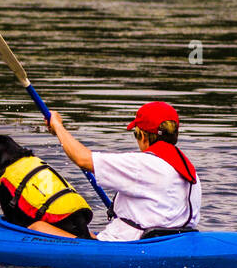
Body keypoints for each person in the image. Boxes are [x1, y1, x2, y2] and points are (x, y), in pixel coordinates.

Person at [39, 101, 200, 241]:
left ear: (143, 135)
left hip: (125, 247)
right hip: (159, 241)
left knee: (37, 226)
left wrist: (58, 127)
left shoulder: (142, 165)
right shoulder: (189, 171)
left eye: (136, 134)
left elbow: (82, 158)